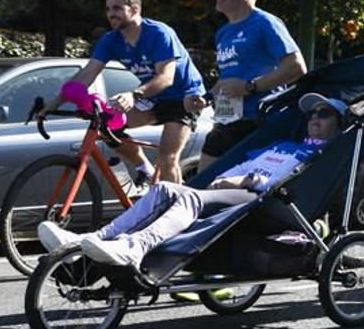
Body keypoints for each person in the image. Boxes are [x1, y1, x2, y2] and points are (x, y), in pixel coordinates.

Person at [36, 93, 344, 268]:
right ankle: (87, 241)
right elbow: (245, 163)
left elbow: (284, 184)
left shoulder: (321, 156)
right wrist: (223, 180)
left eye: (324, 113)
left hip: (267, 203)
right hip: (232, 192)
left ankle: (135, 247)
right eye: (312, 113)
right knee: (165, 188)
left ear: (338, 123)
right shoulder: (284, 145)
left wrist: (240, 182)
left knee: (189, 198)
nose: (314, 117)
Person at [66, 0, 206, 186]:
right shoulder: (111, 40)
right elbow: (87, 73)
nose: (111, 14)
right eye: (107, 9)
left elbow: (166, 77)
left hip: (183, 98)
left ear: (135, 9)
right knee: (105, 126)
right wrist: (53, 102)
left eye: (117, 8)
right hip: (154, 98)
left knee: (167, 159)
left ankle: (178, 209)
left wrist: (134, 94)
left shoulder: (158, 33)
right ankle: (146, 170)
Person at [198, 0, 306, 162]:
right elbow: (228, 79)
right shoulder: (223, 32)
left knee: (243, 190)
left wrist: (250, 86)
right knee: (200, 185)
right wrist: (204, 99)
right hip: (225, 120)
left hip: (260, 122)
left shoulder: (265, 23)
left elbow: (296, 67)